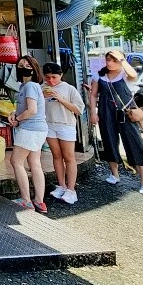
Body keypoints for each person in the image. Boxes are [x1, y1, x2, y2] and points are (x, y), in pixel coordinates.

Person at [90, 49, 143, 195]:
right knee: (109, 141)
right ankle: (114, 173)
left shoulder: (125, 74)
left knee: (135, 142)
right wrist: (93, 112)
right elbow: (93, 95)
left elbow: (133, 75)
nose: (110, 63)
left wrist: (122, 60)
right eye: (108, 60)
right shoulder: (100, 75)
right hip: (106, 111)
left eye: (114, 60)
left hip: (126, 112)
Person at [6, 55, 47, 211]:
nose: (23, 67)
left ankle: (25, 199)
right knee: (35, 164)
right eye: (21, 64)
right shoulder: (26, 87)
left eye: (27, 65)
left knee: (16, 161)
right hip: (39, 128)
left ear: (34, 69)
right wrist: (14, 113)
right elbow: (27, 108)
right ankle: (39, 201)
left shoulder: (30, 86)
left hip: (30, 128)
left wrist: (17, 118)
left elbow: (32, 110)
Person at [42, 62, 85, 205]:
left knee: (69, 157)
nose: (51, 81)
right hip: (49, 125)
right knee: (56, 156)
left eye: (54, 77)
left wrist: (60, 99)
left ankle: (71, 190)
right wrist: (42, 96)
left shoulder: (69, 89)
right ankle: (61, 185)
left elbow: (79, 109)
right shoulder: (42, 88)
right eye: (47, 77)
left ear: (61, 75)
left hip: (66, 125)